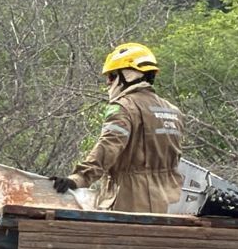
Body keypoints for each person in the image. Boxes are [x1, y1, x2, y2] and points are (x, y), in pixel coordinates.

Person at [53, 43, 185, 214]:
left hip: (131, 203)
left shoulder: (124, 107)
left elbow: (109, 145)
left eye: (111, 76)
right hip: (172, 205)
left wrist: (79, 178)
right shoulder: (173, 111)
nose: (108, 83)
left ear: (128, 74)